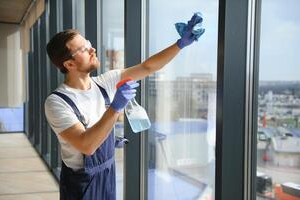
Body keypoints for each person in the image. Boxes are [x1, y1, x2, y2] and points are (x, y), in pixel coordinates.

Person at [45, 13, 204, 200]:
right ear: (69, 63)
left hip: (108, 172)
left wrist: (179, 45)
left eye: (88, 43)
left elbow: (147, 67)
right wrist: (116, 107)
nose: (92, 49)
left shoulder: (104, 82)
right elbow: (86, 145)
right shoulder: (57, 102)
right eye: (83, 49)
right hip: (82, 183)